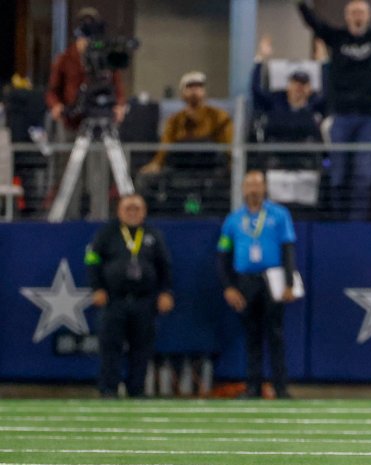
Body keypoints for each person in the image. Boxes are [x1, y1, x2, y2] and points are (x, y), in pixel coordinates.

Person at [297, 0, 371, 220]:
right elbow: (315, 23)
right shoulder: (337, 37)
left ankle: (357, 221)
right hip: (341, 115)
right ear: (347, 16)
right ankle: (338, 220)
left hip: (368, 116)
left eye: (361, 12)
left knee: (364, 173)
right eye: (353, 12)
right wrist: (302, 5)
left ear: (368, 16)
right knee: (338, 172)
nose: (357, 16)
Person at [217, 171, 299, 399]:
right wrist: (229, 287)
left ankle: (281, 388)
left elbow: (288, 249)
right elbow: (223, 255)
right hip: (245, 281)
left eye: (257, 185)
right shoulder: (233, 219)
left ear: (264, 188)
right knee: (251, 336)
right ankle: (253, 387)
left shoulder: (279, 215)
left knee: (276, 334)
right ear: (243, 189)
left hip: (272, 279)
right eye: (249, 185)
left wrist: (290, 282)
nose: (253, 190)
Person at [85, 194, 174, 398]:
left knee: (141, 348)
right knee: (110, 347)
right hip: (115, 300)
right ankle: (109, 389)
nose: (133, 212)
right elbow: (92, 260)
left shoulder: (153, 235)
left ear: (144, 212)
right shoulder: (107, 233)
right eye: (128, 209)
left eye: (137, 209)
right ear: (119, 211)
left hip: (144, 300)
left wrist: (166, 292)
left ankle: (137, 389)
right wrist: (96, 288)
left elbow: (165, 266)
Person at [45, 7, 126, 220]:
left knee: (98, 175)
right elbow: (52, 91)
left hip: (101, 124)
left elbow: (117, 88)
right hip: (72, 122)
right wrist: (56, 106)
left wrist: (119, 106)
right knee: (69, 175)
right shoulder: (64, 58)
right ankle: (69, 218)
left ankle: (98, 217)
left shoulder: (106, 58)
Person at [139, 71, 233, 175]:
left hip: (211, 167)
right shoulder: (174, 120)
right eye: (189, 87)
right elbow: (165, 146)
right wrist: (157, 163)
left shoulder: (219, 116)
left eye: (198, 86)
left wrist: (231, 162)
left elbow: (228, 145)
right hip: (181, 168)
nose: (194, 90)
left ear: (204, 91)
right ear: (182, 93)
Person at [251, 36, 323, 144]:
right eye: (295, 83)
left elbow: (330, 93)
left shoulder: (314, 105)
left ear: (310, 88)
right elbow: (256, 89)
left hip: (306, 154)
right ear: (288, 86)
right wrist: (260, 59)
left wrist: (324, 62)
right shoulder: (275, 101)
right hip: (276, 153)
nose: (299, 88)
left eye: (303, 84)